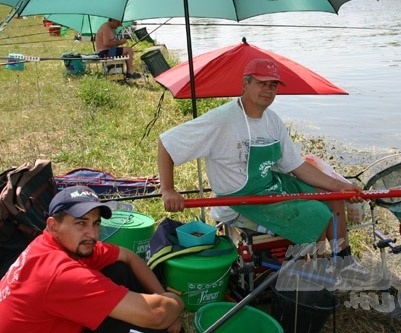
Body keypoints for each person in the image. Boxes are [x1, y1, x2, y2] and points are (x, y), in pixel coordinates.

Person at [157, 58, 365, 262]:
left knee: (334, 196)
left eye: (273, 85)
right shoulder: (221, 120)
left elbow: (298, 166)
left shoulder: (272, 120)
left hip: (271, 185)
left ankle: (342, 258)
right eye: (261, 83)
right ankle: (320, 265)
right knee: (315, 211)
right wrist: (168, 189)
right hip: (239, 199)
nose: (268, 89)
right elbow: (167, 144)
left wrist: (341, 185)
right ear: (245, 84)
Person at [0, 186, 184, 333]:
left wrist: (160, 296)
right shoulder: (61, 273)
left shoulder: (57, 243)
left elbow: (127, 256)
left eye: (96, 223)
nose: (93, 233)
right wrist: (175, 302)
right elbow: (157, 314)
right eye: (81, 223)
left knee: (118, 268)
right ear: (53, 226)